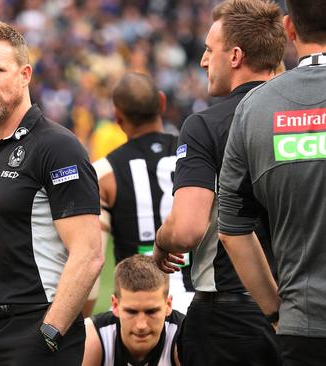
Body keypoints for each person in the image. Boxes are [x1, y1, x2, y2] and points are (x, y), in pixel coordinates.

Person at [0, 20, 104, 365]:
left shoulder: (57, 147)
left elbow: (89, 252)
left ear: (25, 74)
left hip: (34, 330)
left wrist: (49, 333)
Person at [153, 0, 286, 365]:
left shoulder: (205, 125)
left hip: (229, 315)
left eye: (210, 51)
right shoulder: (304, 117)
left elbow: (186, 230)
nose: (203, 61)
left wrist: (162, 243)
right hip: (300, 311)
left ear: (236, 56)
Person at [218, 1, 326, 364]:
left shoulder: (254, 108)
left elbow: (232, 228)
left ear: (290, 29)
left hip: (303, 326)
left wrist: (277, 311)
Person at [87, 72, 193, 316]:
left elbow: (91, 260)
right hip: (199, 302)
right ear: (162, 102)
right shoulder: (196, 153)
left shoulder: (104, 173)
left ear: (117, 116)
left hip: (138, 310)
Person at [82, 255, 184, 366]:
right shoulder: (93, 338)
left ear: (168, 305)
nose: (141, 325)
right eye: (131, 312)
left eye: (151, 312)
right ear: (115, 306)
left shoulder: (184, 336)